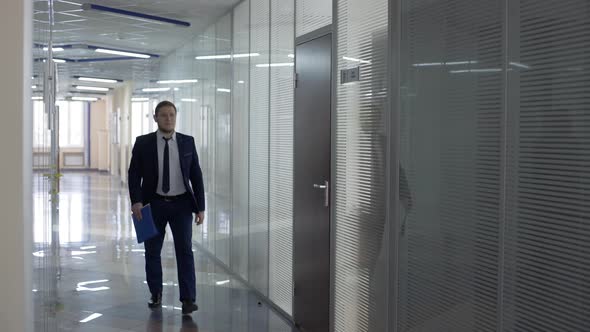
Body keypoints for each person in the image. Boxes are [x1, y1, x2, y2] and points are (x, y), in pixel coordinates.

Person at [128, 100, 205, 315]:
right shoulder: (143, 143)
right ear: (155, 118)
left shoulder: (187, 142)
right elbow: (134, 174)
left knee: (185, 251)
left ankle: (188, 299)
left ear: (175, 116)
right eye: (163, 115)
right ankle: (156, 293)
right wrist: (136, 201)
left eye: (171, 115)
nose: (168, 118)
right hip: (153, 205)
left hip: (181, 205)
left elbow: (196, 176)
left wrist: (201, 207)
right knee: (152, 251)